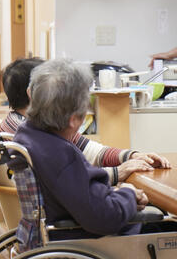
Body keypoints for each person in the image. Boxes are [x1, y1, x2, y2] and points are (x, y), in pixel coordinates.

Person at [11, 59, 152, 241]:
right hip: (87, 240)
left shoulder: (28, 135)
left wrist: (117, 193)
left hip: (55, 229)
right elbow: (103, 216)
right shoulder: (61, 155)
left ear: (31, 95)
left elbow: (80, 196)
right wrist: (129, 195)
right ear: (74, 119)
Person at [0, 58, 170, 185]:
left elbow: (92, 151)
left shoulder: (35, 127)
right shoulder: (34, 137)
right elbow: (71, 181)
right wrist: (120, 175)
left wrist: (131, 156)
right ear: (32, 93)